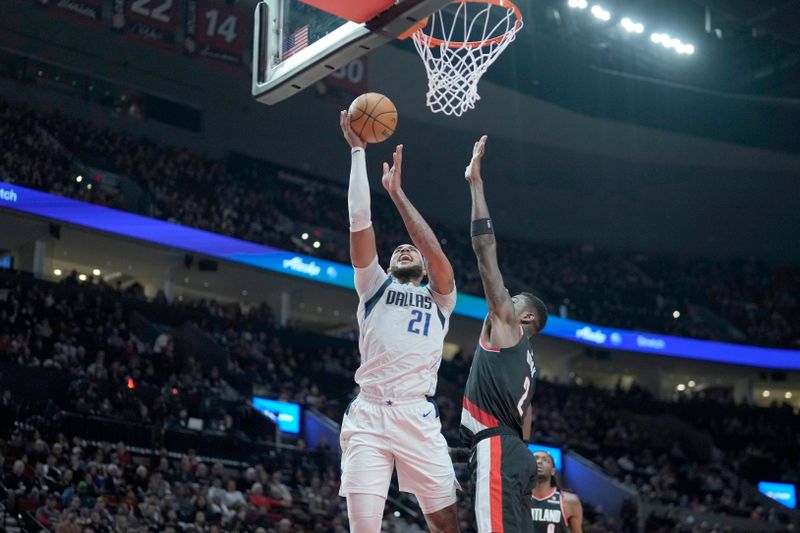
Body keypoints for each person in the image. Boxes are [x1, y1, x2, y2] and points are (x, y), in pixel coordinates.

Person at [338, 111, 460, 533]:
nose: (405, 249)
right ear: (387, 266)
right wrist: (358, 152)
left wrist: (397, 194)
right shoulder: (373, 286)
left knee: (446, 525)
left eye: (412, 251)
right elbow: (359, 222)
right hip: (370, 413)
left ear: (423, 269)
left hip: (416, 414)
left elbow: (437, 254)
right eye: (398, 250)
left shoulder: (440, 295)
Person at [460, 135, 549, 532]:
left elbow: (484, 252)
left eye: (514, 300)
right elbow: (526, 417)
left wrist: (476, 185)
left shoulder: (509, 327)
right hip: (515, 451)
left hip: (498, 447)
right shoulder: (529, 361)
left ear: (526, 319)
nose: (505, 298)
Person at [531, 451, 583, 532]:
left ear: (553, 471)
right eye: (535, 459)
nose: (539, 461)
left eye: (545, 460)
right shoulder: (517, 498)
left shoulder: (569, 501)